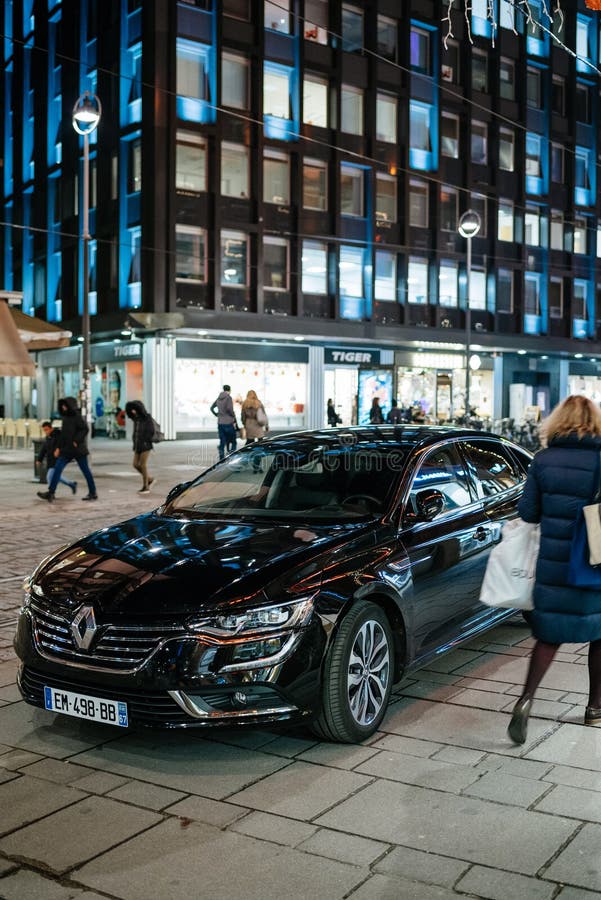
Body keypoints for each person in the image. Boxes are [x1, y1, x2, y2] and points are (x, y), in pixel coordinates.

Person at [507, 395, 601, 744]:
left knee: (548, 637)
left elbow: (529, 513)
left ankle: (526, 698)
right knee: (600, 634)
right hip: (595, 564)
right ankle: (595, 707)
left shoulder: (543, 460)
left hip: (554, 566)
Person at [37, 397, 98, 502]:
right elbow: (63, 436)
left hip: (77, 450)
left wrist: (76, 441)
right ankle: (51, 492)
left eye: (65, 405)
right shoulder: (65, 418)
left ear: (70, 406)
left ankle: (93, 493)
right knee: (57, 469)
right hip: (66, 450)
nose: (63, 408)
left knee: (86, 471)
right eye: (62, 406)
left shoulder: (76, 417)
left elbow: (85, 429)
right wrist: (58, 448)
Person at [37, 421, 77, 495]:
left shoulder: (58, 435)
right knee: (57, 477)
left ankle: (51, 493)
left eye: (46, 430)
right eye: (44, 430)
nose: (46, 432)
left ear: (51, 428)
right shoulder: (48, 437)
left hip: (58, 459)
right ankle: (72, 484)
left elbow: (64, 443)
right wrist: (39, 459)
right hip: (51, 460)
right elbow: (44, 448)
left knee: (49, 476)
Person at [125, 401, 156, 494]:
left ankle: (146, 487)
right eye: (131, 410)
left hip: (146, 445)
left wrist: (146, 440)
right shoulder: (136, 419)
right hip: (137, 446)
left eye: (134, 409)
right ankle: (149, 479)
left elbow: (151, 431)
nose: (133, 411)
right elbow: (135, 433)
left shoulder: (147, 418)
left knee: (143, 465)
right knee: (135, 464)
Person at [210, 384, 238, 460]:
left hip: (220, 423)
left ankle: (221, 458)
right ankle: (231, 457)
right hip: (228, 422)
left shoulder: (219, 398)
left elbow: (211, 408)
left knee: (222, 441)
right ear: (229, 390)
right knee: (233, 441)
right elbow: (229, 409)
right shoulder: (228, 398)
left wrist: (217, 414)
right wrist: (233, 415)